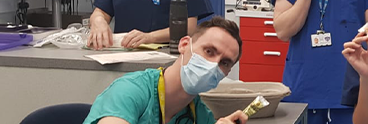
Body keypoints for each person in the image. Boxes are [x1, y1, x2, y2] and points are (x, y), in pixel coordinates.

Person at [83, 17, 249, 124]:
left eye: (225, 63)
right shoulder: (130, 91)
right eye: (209, 51)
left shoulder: (200, 114)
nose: (214, 64)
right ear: (184, 45)